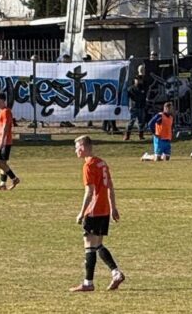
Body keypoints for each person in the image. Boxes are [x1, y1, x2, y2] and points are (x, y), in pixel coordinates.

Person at [70, 135, 125, 292]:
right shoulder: (102, 163)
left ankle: (88, 283)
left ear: (83, 148)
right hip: (104, 209)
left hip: (93, 210)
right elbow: (110, 186)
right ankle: (116, 273)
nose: (75, 151)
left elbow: (89, 191)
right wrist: (113, 207)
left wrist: (81, 213)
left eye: (77, 148)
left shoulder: (89, 166)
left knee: (89, 245)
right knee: (98, 244)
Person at [0, 92, 21, 191]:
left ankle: (14, 179)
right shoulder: (1, 112)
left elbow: (5, 128)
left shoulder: (6, 111)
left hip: (5, 142)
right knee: (2, 164)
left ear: (3, 100)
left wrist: (2, 141)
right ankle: (2, 184)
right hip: (1, 141)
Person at [123, 65, 148, 142]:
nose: (139, 81)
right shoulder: (131, 89)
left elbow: (145, 96)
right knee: (131, 122)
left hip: (141, 107)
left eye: (140, 80)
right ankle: (127, 136)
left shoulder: (143, 88)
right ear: (135, 80)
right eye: (137, 80)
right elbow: (127, 96)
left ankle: (141, 135)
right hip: (133, 107)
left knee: (141, 122)